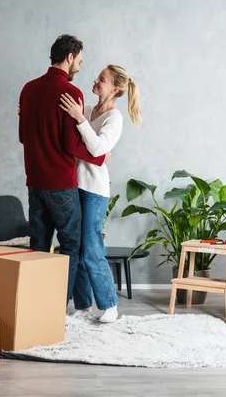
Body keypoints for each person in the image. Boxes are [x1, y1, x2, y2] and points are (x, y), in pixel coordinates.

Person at [18, 35, 108, 305]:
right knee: (71, 245)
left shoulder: (28, 89)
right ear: (69, 57)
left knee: (38, 246)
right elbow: (71, 143)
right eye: (79, 61)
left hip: (34, 182)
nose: (79, 67)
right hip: (61, 184)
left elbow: (23, 136)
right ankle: (56, 307)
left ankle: (33, 308)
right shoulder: (72, 93)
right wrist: (98, 156)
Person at [59, 65, 142, 322]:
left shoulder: (113, 118)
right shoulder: (90, 110)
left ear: (114, 88)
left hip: (94, 190)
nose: (95, 81)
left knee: (92, 248)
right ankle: (83, 306)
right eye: (97, 77)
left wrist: (80, 119)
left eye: (102, 79)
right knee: (78, 247)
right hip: (76, 185)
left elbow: (97, 150)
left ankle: (109, 306)